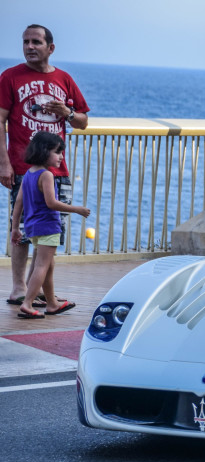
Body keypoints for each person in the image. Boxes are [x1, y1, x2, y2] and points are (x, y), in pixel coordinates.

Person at [1, 24, 89, 306]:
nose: (29, 47)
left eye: (36, 42)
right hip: (23, 169)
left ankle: (36, 290)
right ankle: (18, 289)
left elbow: (83, 121)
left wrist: (67, 112)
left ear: (50, 48)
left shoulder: (64, 79)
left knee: (49, 232)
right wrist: (3, 163)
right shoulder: (10, 77)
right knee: (23, 228)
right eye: (25, 42)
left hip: (57, 171)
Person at [11, 132, 88, 318]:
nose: (61, 157)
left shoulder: (29, 173)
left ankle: (52, 303)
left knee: (48, 266)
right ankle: (27, 304)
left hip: (33, 227)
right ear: (44, 152)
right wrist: (76, 209)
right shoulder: (47, 175)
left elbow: (19, 202)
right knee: (42, 266)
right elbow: (51, 203)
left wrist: (15, 228)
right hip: (48, 226)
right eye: (57, 152)